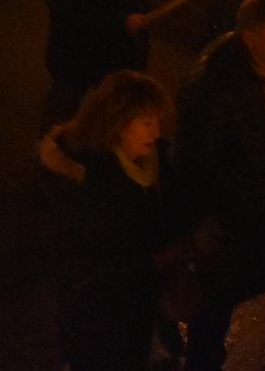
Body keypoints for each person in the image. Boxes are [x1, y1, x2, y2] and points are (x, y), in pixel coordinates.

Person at [174, 0, 265, 371]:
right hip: (229, 226)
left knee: (249, 281)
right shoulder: (213, 89)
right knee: (213, 306)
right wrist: (208, 225)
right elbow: (195, 167)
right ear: (249, 38)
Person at [36, 71, 177, 371]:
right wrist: (154, 262)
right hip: (98, 312)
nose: (156, 132)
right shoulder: (94, 183)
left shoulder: (155, 160)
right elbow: (89, 261)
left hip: (136, 302)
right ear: (118, 126)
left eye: (157, 121)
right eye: (146, 123)